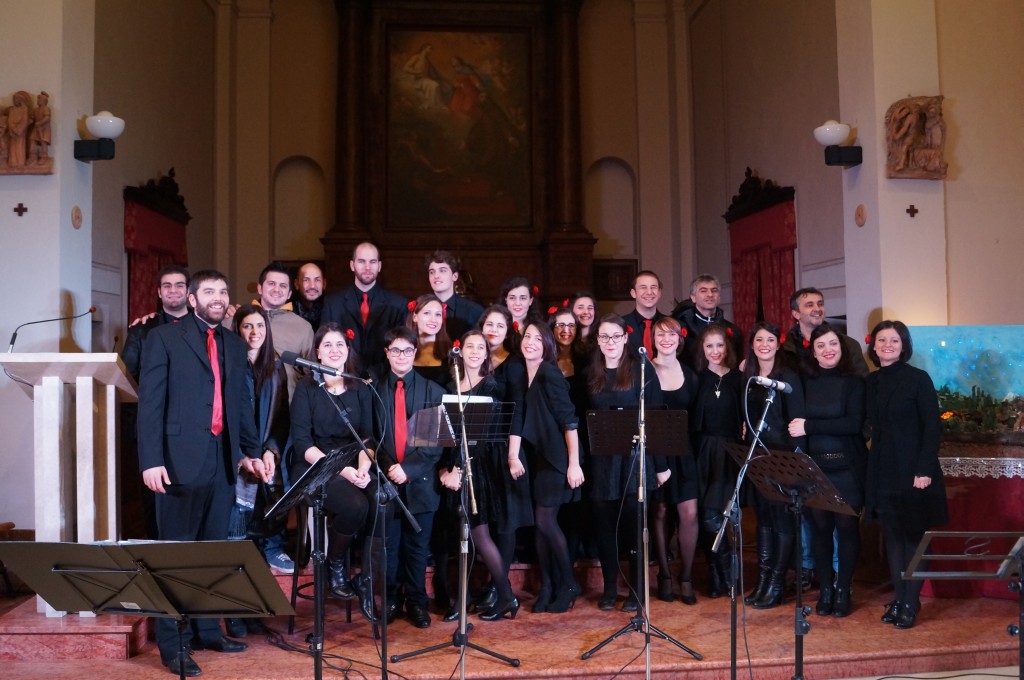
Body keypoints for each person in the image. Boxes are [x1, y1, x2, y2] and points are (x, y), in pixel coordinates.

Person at [137, 270, 267, 677]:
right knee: (176, 554)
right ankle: (173, 643)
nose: (216, 297)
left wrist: (249, 451)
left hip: (222, 463)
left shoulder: (231, 342)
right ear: (192, 300)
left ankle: (209, 629)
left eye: (222, 291)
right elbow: (150, 405)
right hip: (175, 462)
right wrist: (150, 459)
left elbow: (240, 406)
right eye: (208, 291)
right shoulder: (163, 338)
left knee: (212, 551)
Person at [289, 322, 383, 623]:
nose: (334, 350)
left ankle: (367, 579)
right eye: (327, 345)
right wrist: (344, 471)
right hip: (315, 465)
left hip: (356, 462)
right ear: (317, 352)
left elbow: (368, 437)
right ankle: (336, 563)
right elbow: (303, 442)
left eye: (339, 344)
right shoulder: (306, 388)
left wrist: (364, 467)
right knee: (355, 505)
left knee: (382, 499)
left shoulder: (360, 386)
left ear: (348, 351)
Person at [865, 320, 946, 630]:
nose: (888, 344)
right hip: (883, 469)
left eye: (894, 340)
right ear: (873, 346)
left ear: (903, 345)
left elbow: (932, 427)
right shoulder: (871, 382)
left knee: (913, 537)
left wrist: (924, 469)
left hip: (914, 469)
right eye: (882, 339)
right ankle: (900, 598)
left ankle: (911, 602)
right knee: (893, 537)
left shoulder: (918, 379)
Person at [437, 329, 521, 621]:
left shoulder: (491, 388)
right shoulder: (449, 386)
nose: (474, 351)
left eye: (480, 347)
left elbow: (482, 437)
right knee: (460, 537)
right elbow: (446, 435)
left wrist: (460, 468)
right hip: (454, 468)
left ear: (487, 354)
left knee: (479, 533)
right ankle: (463, 599)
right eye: (469, 346)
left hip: (478, 467)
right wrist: (447, 468)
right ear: (460, 352)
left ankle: (506, 596)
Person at [585, 313, 665, 611]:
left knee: (634, 527)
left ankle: (636, 589)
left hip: (635, 460)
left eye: (615, 336)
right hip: (603, 461)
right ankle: (608, 588)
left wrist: (660, 465)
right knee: (605, 527)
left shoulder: (643, 370)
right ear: (597, 340)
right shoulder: (590, 373)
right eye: (604, 337)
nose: (610, 342)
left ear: (625, 338)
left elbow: (656, 419)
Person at [787, 322, 867, 618]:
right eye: (820, 346)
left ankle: (844, 588)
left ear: (841, 348)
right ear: (814, 352)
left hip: (847, 467)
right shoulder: (805, 382)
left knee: (846, 529)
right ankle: (827, 589)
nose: (827, 350)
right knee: (820, 530)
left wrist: (810, 425)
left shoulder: (855, 382)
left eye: (832, 344)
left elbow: (852, 424)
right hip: (816, 468)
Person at [224, 304, 291, 636]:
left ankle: (253, 610)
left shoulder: (276, 368)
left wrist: (271, 451)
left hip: (265, 466)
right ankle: (235, 613)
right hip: (236, 467)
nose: (254, 332)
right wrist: (242, 457)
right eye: (247, 326)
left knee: (258, 540)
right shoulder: (228, 366)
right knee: (237, 541)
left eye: (259, 326)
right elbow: (224, 421)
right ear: (237, 330)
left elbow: (282, 418)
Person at [374, 326, 447, 628]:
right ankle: (390, 600)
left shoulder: (433, 392)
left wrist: (409, 469)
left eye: (407, 350)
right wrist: (391, 467)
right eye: (395, 350)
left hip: (422, 483)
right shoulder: (373, 390)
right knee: (389, 547)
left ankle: (417, 602)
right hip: (387, 480)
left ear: (415, 352)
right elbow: (371, 436)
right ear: (387, 353)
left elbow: (435, 445)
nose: (401, 356)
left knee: (418, 548)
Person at [511, 321, 584, 613]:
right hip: (536, 458)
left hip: (556, 459)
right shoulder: (523, 375)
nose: (530, 342)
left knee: (545, 522)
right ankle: (549, 585)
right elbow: (518, 418)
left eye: (537, 339)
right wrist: (512, 455)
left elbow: (570, 420)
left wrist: (574, 463)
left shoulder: (549, 373)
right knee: (540, 527)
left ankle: (568, 583)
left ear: (547, 346)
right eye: (526, 336)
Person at [120, 264, 190, 541]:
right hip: (153, 427)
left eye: (179, 285)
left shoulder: (203, 326)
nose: (174, 291)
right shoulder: (142, 330)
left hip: (191, 427)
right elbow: (126, 378)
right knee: (153, 500)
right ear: (159, 293)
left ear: (189, 291)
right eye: (167, 286)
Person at [741, 321, 806, 609]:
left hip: (783, 457)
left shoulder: (787, 376)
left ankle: (778, 582)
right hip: (757, 457)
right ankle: (764, 579)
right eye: (758, 340)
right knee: (764, 521)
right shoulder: (750, 376)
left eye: (769, 339)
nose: (764, 344)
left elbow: (796, 420)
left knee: (781, 521)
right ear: (752, 345)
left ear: (778, 344)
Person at [690, 323, 744, 598]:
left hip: (728, 452)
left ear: (727, 348)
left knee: (716, 516)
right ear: (702, 349)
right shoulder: (696, 377)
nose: (714, 351)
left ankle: (725, 572)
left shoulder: (738, 378)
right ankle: (717, 574)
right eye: (709, 346)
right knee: (702, 515)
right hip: (701, 451)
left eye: (719, 345)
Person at [650, 316, 700, 606]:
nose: (666, 339)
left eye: (671, 334)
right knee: (659, 512)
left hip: (684, 451)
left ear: (680, 339)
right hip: (656, 450)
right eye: (660, 334)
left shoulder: (691, 375)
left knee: (689, 513)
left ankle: (687, 575)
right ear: (653, 339)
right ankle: (665, 575)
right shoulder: (645, 371)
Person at [323, 242, 408, 379]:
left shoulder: (398, 304)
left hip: (384, 380)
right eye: (362, 261)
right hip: (344, 379)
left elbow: (401, 348)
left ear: (379, 266)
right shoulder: (332, 303)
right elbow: (325, 345)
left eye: (372, 262)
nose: (367, 267)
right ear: (352, 265)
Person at [247, 262, 315, 401]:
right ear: (260, 288)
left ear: (289, 293)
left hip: (286, 408)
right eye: (271, 283)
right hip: (245, 403)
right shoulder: (239, 320)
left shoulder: (303, 327)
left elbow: (311, 375)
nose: (277, 289)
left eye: (283, 286)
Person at [781, 287, 868, 376]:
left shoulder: (848, 344)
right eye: (810, 305)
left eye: (820, 304)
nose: (817, 309)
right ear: (796, 314)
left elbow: (862, 380)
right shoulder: (785, 347)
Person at [672, 274, 743, 367]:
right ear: (693, 297)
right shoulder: (679, 327)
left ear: (719, 297)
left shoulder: (733, 330)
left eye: (714, 290)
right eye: (703, 290)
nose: (710, 294)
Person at [425, 249, 484, 341]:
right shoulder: (420, 309)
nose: (436, 276)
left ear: (455, 276)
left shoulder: (475, 311)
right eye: (432, 272)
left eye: (442, 271)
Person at [406, 293, 451, 386]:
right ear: (415, 317)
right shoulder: (401, 350)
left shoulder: (451, 354)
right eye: (427, 313)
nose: (433, 319)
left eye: (438, 314)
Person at [622, 270, 666, 356]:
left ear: (659, 292)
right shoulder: (621, 324)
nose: (649, 292)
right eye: (643, 287)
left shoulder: (671, 324)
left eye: (653, 287)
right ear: (633, 293)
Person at [293, 262, 326, 331]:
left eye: (317, 280)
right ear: (296, 284)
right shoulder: (286, 312)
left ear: (324, 284)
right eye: (306, 280)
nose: (312, 286)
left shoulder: (333, 310)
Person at [29, 91, 50, 164]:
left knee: (43, 142)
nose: (38, 101)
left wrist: (40, 123)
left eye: (39, 99)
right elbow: (33, 118)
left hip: (44, 128)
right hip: (36, 128)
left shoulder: (46, 108)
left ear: (44, 101)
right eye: (38, 99)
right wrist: (29, 121)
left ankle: (44, 157)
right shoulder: (36, 110)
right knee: (33, 140)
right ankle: (32, 156)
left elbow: (47, 118)